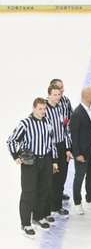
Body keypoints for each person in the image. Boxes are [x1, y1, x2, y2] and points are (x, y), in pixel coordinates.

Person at [7, 97, 54, 237]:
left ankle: (38, 216)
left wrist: (53, 160)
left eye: (44, 109)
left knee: (43, 189)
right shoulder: (25, 123)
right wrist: (16, 156)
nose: (42, 111)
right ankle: (25, 223)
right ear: (34, 108)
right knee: (29, 192)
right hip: (30, 162)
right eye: (40, 109)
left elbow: (50, 142)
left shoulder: (47, 122)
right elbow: (11, 140)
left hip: (45, 160)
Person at [69, 86, 91, 214]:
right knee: (79, 177)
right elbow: (74, 136)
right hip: (82, 153)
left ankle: (90, 198)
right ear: (86, 96)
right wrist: (77, 154)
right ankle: (77, 202)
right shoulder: (77, 113)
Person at [44, 82, 72, 218]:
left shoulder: (61, 108)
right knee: (51, 178)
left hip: (62, 146)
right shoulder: (44, 109)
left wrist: (68, 148)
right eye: (54, 94)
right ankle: (47, 207)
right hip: (50, 148)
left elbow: (66, 130)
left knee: (61, 177)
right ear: (49, 95)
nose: (57, 97)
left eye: (59, 94)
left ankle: (57, 204)